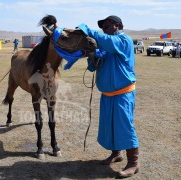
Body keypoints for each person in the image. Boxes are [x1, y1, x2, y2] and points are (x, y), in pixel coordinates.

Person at [77, 15, 140, 178]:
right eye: (102, 27)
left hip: (123, 94)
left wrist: (89, 32)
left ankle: (133, 163)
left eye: (106, 26)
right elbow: (92, 68)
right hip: (107, 94)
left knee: (124, 126)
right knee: (109, 125)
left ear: (117, 26)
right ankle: (116, 154)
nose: (103, 29)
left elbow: (109, 42)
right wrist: (93, 56)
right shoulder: (105, 48)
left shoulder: (123, 41)